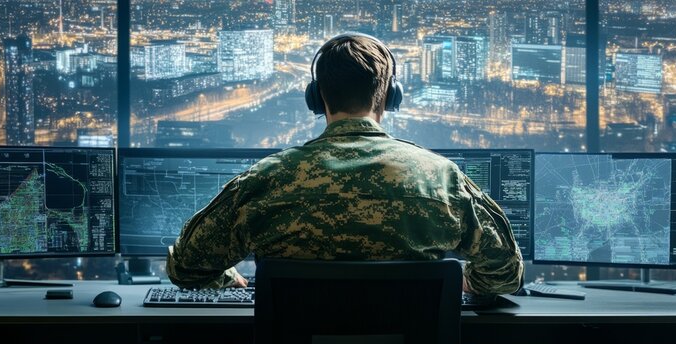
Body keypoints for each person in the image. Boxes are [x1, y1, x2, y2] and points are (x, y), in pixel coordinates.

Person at [166, 33, 524, 295]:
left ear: (317, 97)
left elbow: (185, 266)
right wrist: (452, 285)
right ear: (388, 96)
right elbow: (505, 272)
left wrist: (229, 278)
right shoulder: (441, 179)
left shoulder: (265, 181)